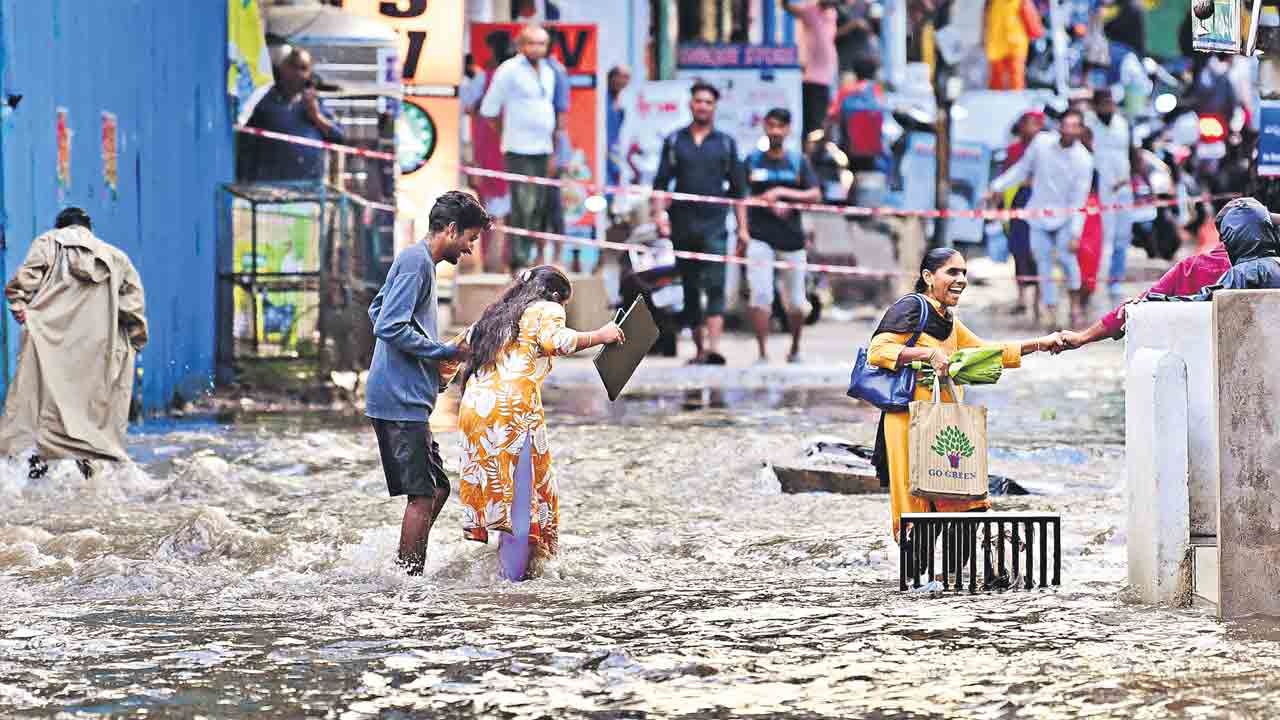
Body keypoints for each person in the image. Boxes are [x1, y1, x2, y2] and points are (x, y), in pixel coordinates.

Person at [867, 248, 1063, 541]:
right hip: (909, 421)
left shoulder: (947, 319)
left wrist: (1040, 344)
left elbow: (985, 352)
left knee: (962, 495)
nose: (961, 279)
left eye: (964, 273)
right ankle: (918, 566)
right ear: (928, 277)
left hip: (944, 423)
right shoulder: (912, 307)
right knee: (916, 510)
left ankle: (967, 562)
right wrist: (928, 354)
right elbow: (878, 351)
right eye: (952, 272)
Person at [457, 266, 625, 580]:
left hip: (474, 411)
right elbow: (556, 341)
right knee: (522, 502)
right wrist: (601, 335)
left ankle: (506, 569)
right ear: (556, 295)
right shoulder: (546, 307)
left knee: (501, 492)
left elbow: (456, 350)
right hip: (511, 412)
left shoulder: (496, 314)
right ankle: (512, 585)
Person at [365, 191, 490, 576]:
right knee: (422, 495)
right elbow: (389, 325)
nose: (470, 248)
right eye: (469, 238)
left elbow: (377, 309)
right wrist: (441, 350)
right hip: (398, 401)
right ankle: (407, 582)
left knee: (438, 488)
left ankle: (405, 568)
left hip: (406, 398)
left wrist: (430, 362)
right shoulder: (416, 262)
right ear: (451, 229)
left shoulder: (419, 263)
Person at [0, 207, 147, 478]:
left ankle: (34, 475)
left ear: (60, 226)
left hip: (50, 344)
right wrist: (136, 340)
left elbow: (24, 281)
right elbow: (133, 310)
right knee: (86, 416)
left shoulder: (49, 242)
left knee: (41, 411)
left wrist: (19, 304)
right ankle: (88, 476)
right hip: (96, 351)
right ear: (90, 229)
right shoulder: (117, 258)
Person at [651, 81, 748, 365]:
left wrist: (743, 229)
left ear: (715, 107)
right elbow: (660, 184)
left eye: (708, 102)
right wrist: (659, 216)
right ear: (690, 104)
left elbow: (739, 191)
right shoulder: (674, 141)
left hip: (715, 225)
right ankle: (699, 350)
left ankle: (714, 349)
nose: (703, 106)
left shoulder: (726, 143)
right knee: (690, 288)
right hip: (683, 226)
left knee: (716, 285)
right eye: (699, 101)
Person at [988, 109, 1094, 328]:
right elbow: (1021, 170)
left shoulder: (1084, 160)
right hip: (1037, 214)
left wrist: (1075, 233)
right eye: (1066, 125)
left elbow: (1079, 199)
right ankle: (1051, 313)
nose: (1069, 131)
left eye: (1075, 126)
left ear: (1081, 130)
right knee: (1043, 263)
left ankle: (1074, 309)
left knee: (1068, 260)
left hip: (1066, 217)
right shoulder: (1041, 144)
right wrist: (997, 186)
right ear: (1059, 127)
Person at [742, 108, 821, 365]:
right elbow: (741, 197)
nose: (775, 131)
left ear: (787, 129)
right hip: (760, 237)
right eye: (771, 126)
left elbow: (814, 194)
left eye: (780, 126)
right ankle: (762, 353)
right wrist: (743, 230)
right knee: (761, 295)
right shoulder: (752, 160)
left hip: (792, 239)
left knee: (797, 301)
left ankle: (795, 349)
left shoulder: (798, 161)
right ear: (765, 127)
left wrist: (782, 194)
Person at [480, 24, 559, 271]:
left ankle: (534, 258)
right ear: (521, 45)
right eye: (532, 43)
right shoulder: (509, 70)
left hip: (543, 148)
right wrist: (506, 133)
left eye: (542, 44)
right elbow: (489, 109)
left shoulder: (549, 71)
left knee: (540, 207)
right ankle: (519, 260)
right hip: (518, 148)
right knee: (523, 205)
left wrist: (553, 149)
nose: (537, 48)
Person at [239, 47, 345, 183]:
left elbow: (339, 138)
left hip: (309, 188)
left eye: (303, 68)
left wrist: (316, 116)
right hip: (269, 186)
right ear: (282, 68)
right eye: (293, 66)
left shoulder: (315, 103)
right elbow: (245, 143)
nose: (298, 73)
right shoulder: (263, 101)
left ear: (309, 73)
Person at [1086, 88, 1134, 305]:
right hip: (1100, 189)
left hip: (1123, 187)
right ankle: (1093, 281)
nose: (1108, 107)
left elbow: (1131, 152)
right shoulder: (1088, 126)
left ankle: (1115, 280)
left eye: (1111, 103)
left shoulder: (1122, 124)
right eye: (1104, 103)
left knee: (1122, 236)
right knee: (1100, 237)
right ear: (1095, 106)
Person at [1001, 109, 1045, 321]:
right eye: (1028, 123)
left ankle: (1038, 302)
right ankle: (1021, 299)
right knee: (1019, 250)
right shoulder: (1014, 149)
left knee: (1039, 251)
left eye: (1036, 123)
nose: (1031, 128)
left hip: (1041, 204)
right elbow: (1008, 176)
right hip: (1018, 202)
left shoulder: (1046, 149)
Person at [783, 0, 840, 140]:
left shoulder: (832, 13)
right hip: (812, 77)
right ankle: (810, 149)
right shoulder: (810, 11)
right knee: (813, 123)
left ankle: (817, 147)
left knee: (822, 121)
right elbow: (788, 7)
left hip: (827, 77)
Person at [835, 0, 881, 82]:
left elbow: (874, 32)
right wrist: (853, 24)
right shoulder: (836, 7)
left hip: (865, 61)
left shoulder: (865, 6)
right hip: (846, 61)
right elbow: (832, 34)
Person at [606, 65, 632, 190]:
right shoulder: (603, 101)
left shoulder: (621, 102)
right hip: (604, 154)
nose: (625, 81)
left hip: (615, 155)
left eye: (627, 78)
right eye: (622, 77)